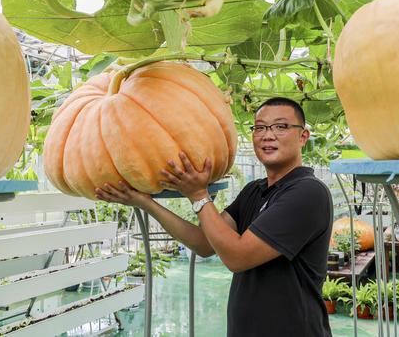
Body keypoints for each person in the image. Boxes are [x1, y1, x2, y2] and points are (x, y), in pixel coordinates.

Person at [95, 97, 333, 336]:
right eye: (259, 127)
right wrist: (145, 203)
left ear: (303, 136)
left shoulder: (308, 192)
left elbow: (237, 257)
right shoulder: (254, 190)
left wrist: (198, 194)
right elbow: (204, 243)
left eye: (280, 127)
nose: (267, 135)